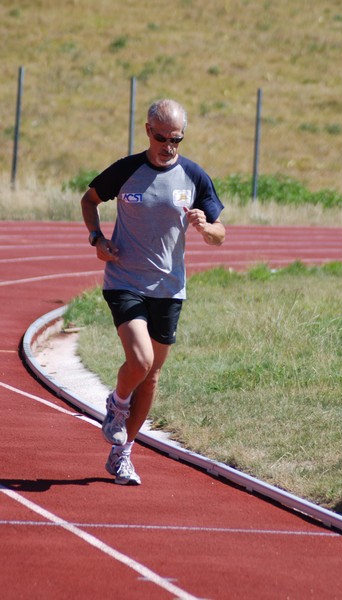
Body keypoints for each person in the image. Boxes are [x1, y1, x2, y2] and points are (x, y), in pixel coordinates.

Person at [81, 98, 225, 485]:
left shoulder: (194, 177)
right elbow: (89, 199)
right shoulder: (127, 170)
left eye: (177, 139)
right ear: (148, 131)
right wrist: (97, 237)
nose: (169, 146)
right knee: (141, 360)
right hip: (125, 280)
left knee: (153, 375)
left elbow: (220, 235)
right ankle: (117, 403)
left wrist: (204, 227)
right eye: (162, 138)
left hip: (169, 288)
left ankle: (123, 453)